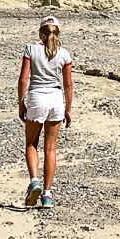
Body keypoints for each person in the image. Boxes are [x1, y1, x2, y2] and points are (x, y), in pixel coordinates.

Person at [17, 15, 73, 208]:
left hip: (37, 98)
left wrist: (20, 103)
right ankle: (47, 195)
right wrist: (68, 109)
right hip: (55, 100)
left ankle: (34, 182)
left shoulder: (31, 50)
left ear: (41, 33)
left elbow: (24, 79)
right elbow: (68, 84)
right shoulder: (64, 54)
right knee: (50, 148)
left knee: (31, 144)